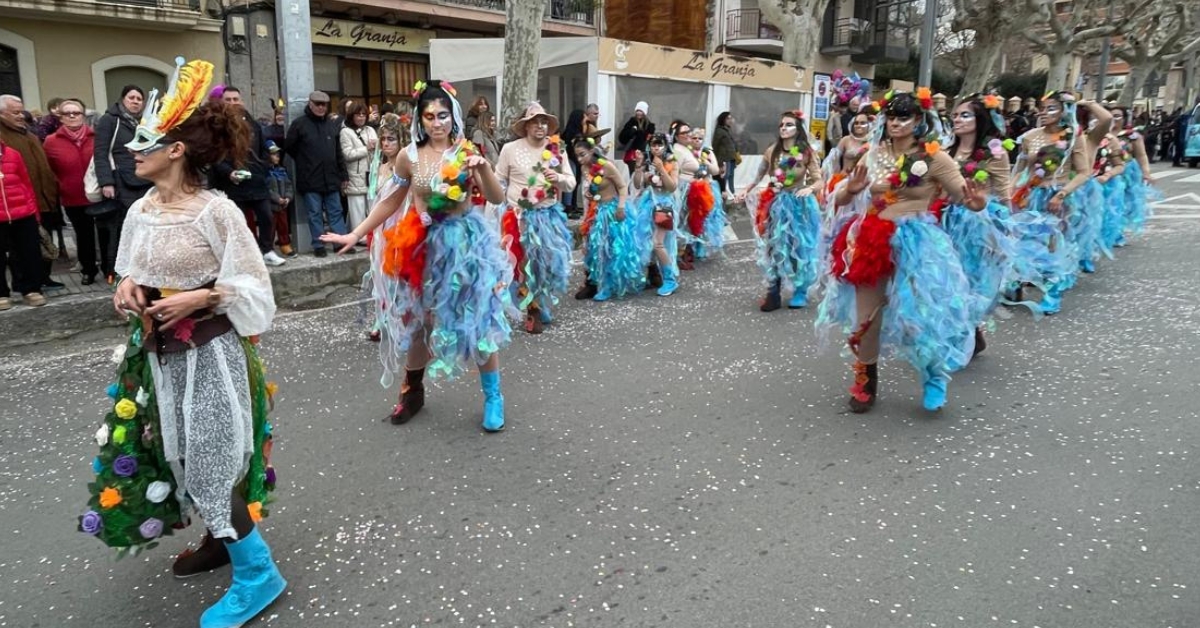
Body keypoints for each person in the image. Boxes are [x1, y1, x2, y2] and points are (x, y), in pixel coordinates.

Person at [88, 58, 282, 627]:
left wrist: (198, 298)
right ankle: (222, 541)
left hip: (212, 356)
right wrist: (126, 287)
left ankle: (259, 574)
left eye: (146, 142)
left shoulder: (216, 211)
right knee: (179, 456)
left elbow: (255, 289)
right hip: (158, 358)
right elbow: (130, 270)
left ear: (176, 150)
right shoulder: (140, 210)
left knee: (213, 464)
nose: (133, 152)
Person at [320, 80, 512, 432]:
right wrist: (356, 232)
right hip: (422, 248)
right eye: (429, 116)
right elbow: (392, 199)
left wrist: (482, 167)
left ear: (452, 116)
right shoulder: (409, 156)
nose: (437, 123)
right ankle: (412, 392)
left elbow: (497, 198)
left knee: (478, 320)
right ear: (419, 120)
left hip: (464, 247)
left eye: (443, 115)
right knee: (419, 322)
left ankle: (493, 396)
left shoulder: (467, 151)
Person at [817, 89, 988, 413]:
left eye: (903, 117)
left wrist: (976, 204)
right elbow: (841, 198)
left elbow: (964, 197)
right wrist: (849, 190)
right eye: (892, 117)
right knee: (867, 316)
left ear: (919, 120)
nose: (895, 123)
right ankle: (866, 379)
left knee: (921, 314)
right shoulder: (872, 153)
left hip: (917, 240)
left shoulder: (935, 157)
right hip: (872, 239)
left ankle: (933, 375)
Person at [941, 93, 1020, 356]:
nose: (957, 119)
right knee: (949, 277)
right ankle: (968, 333)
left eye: (965, 115)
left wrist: (1005, 233)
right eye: (955, 115)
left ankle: (966, 334)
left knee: (971, 278)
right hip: (948, 220)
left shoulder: (995, 152)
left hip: (979, 223)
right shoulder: (946, 150)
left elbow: (1004, 192)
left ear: (980, 118)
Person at [1008, 91, 1093, 314]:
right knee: (1023, 240)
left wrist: (1062, 194)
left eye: (1051, 108)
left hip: (1057, 197)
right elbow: (1021, 169)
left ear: (1066, 111)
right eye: (1042, 108)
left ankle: (1052, 293)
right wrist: (1011, 192)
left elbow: (1084, 172)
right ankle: (1017, 281)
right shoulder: (1030, 137)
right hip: (1030, 194)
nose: (1044, 113)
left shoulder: (1074, 136)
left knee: (1053, 244)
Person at [494, 102, 575, 331]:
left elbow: (571, 182)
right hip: (519, 216)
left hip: (548, 216)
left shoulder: (556, 149)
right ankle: (533, 309)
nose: (540, 126)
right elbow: (499, 179)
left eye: (544, 122)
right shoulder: (510, 149)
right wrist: (495, 204)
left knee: (546, 264)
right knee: (524, 264)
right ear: (526, 126)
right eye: (535, 122)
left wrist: (558, 178)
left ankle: (540, 301)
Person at [737, 110, 823, 311]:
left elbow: (819, 179)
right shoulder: (772, 150)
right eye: (781, 125)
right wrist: (746, 190)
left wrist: (809, 188)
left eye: (789, 125)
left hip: (799, 204)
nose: (784, 128)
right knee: (773, 246)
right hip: (775, 203)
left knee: (798, 248)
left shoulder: (806, 152)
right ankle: (773, 290)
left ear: (798, 128)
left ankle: (800, 290)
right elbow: (758, 175)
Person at [212, 87, 286, 267]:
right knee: (239, 222)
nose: (232, 103)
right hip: (233, 182)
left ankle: (267, 250)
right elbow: (215, 155)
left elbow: (262, 148)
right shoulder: (217, 125)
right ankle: (245, 255)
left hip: (256, 179)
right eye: (228, 100)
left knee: (267, 217)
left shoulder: (252, 122)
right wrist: (229, 172)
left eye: (235, 99)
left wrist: (265, 164)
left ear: (241, 100)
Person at [1, 94, 63, 290]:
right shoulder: (3, 135)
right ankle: (21, 282)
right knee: (19, 248)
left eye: (21, 111)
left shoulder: (28, 133)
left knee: (42, 241)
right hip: (16, 203)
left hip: (41, 198)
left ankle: (43, 277)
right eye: (15, 112)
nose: (21, 116)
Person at [94, 85, 152, 283]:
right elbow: (100, 152)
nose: (135, 101)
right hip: (120, 181)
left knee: (144, 225)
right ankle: (116, 270)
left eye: (139, 98)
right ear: (123, 99)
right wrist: (106, 182)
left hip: (145, 180)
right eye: (131, 97)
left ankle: (141, 266)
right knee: (122, 227)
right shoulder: (109, 120)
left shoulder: (146, 122)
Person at [43, 98, 103, 284]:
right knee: (83, 235)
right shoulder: (51, 141)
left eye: (76, 113)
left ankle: (110, 267)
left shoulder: (97, 137)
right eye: (67, 113)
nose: (72, 116)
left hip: (99, 194)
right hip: (72, 196)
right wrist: (59, 186)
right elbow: (49, 169)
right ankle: (88, 269)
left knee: (104, 233)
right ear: (60, 118)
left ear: (83, 116)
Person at [285, 90, 348, 257]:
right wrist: (304, 161)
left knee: (336, 211)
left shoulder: (331, 124)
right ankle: (318, 244)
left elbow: (338, 152)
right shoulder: (299, 124)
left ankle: (339, 242)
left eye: (324, 105)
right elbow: (289, 147)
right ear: (310, 104)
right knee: (315, 214)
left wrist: (344, 175)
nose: (321, 107)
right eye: (318, 104)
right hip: (310, 177)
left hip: (331, 177)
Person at [629, 133, 679, 296]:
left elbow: (672, 187)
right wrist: (638, 166)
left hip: (664, 206)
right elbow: (637, 184)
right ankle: (652, 275)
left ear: (666, 146)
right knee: (644, 241)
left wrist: (661, 169)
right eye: (653, 145)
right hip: (647, 204)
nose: (656, 148)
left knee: (658, 243)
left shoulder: (671, 161)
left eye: (659, 144)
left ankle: (670, 280)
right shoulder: (648, 162)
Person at [0, 137, 48, 309]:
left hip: (22, 211)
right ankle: (1, 294)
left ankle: (31, 289)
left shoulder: (13, 154)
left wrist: (33, 210)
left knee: (28, 252)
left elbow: (26, 183)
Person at [340, 100, 379, 242]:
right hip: (355, 175)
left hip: (371, 174)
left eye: (364, 114)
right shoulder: (345, 132)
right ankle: (359, 237)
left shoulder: (370, 130)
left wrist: (377, 147)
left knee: (372, 206)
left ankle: (371, 234)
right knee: (356, 208)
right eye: (358, 114)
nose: (361, 117)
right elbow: (347, 154)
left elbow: (379, 150)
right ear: (352, 116)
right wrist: (366, 149)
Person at [688, 127, 727, 260]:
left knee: (705, 218)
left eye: (700, 138)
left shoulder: (707, 151)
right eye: (694, 138)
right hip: (691, 189)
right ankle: (689, 246)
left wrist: (704, 161)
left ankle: (700, 246)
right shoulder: (686, 152)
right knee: (690, 217)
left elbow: (716, 170)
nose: (697, 141)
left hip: (706, 189)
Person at [265, 141, 295, 257]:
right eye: (273, 154)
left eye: (278, 154)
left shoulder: (282, 170)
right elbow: (267, 189)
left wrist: (288, 197)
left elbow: (288, 185)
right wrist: (277, 199)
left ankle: (285, 244)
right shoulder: (265, 172)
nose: (277, 156)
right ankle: (268, 247)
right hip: (271, 205)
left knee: (283, 226)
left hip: (283, 205)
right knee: (270, 227)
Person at [559, 109, 586, 210]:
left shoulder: (579, 130)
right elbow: (569, 148)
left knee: (576, 182)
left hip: (576, 160)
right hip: (571, 161)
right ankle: (568, 206)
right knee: (571, 182)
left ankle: (573, 205)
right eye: (583, 117)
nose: (585, 120)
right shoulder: (571, 132)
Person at [618, 101, 655, 170]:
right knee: (632, 171)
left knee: (642, 172)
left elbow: (649, 140)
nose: (638, 113)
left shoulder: (648, 124)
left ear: (644, 112)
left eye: (641, 111)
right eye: (637, 110)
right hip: (632, 153)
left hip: (643, 153)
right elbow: (622, 137)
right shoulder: (632, 121)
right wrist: (631, 131)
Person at [712, 112, 738, 196]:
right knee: (724, 178)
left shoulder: (727, 130)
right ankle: (724, 195)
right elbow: (715, 146)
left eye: (731, 118)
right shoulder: (720, 131)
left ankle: (732, 195)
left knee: (730, 178)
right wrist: (718, 162)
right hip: (724, 159)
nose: (730, 120)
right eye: (728, 118)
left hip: (731, 158)